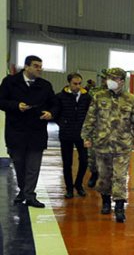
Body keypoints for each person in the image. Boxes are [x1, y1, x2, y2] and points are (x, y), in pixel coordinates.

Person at [81, 68, 134, 223]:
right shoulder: (99, 96)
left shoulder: (130, 99)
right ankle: (106, 202)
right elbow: (91, 117)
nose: (109, 81)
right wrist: (86, 136)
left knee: (120, 176)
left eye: (113, 78)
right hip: (102, 144)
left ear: (122, 80)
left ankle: (120, 206)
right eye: (108, 78)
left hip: (122, 144)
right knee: (104, 176)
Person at [0, 55, 59, 208]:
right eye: (36, 66)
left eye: (40, 66)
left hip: (37, 131)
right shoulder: (10, 82)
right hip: (16, 131)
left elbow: (55, 104)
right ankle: (23, 190)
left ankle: (30, 195)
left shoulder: (45, 85)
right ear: (26, 67)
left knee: (33, 166)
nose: (39, 69)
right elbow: (1, 101)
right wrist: (15, 105)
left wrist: (50, 113)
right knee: (19, 164)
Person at [55, 72, 92, 198]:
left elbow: (90, 114)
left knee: (84, 160)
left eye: (79, 83)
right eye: (75, 84)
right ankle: (69, 188)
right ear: (69, 83)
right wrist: (62, 123)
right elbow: (56, 113)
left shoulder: (87, 97)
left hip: (82, 134)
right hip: (66, 133)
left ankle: (79, 184)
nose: (77, 86)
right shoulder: (60, 97)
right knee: (67, 162)